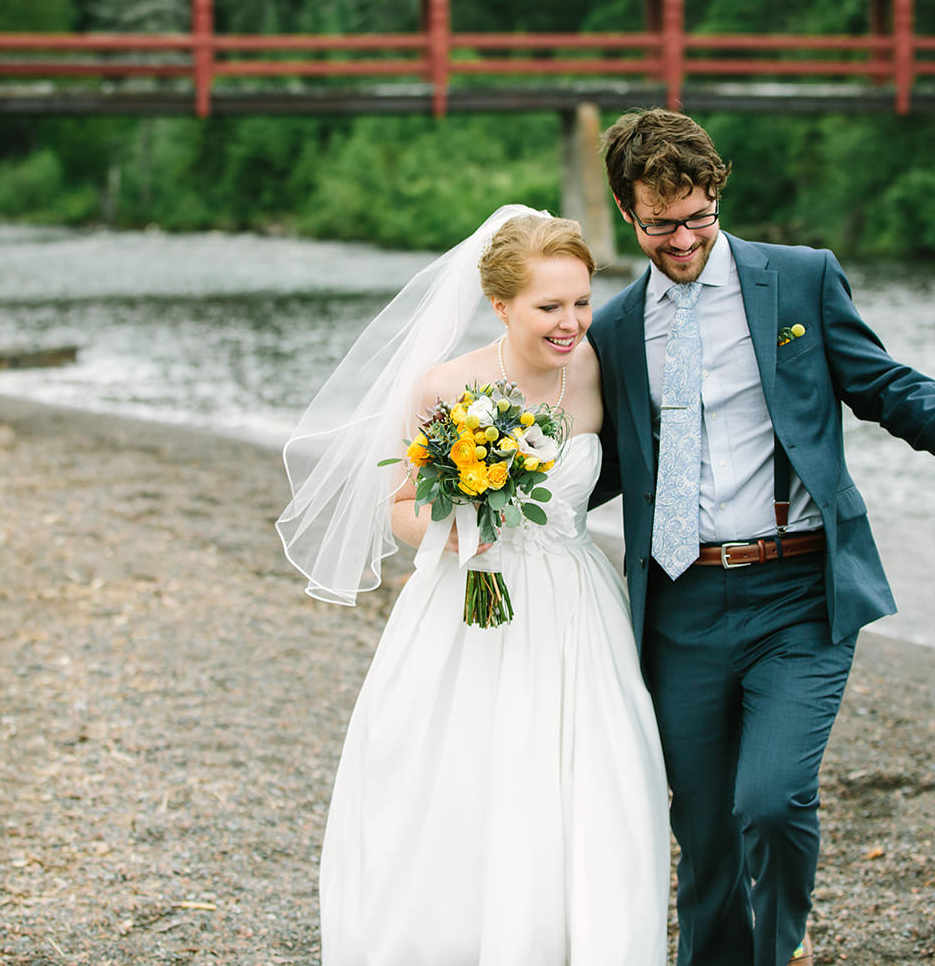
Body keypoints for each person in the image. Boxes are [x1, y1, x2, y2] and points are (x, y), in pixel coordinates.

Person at [587, 109, 935, 966]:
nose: (683, 238)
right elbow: (603, 465)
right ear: (628, 214)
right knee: (703, 833)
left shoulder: (801, 280)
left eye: (698, 216)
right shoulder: (617, 329)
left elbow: (876, 379)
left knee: (771, 802)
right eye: (660, 223)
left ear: (718, 192)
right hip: (680, 604)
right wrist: (498, 497)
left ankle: (775, 951)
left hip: (798, 592)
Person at [278, 207, 671, 965]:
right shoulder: (446, 386)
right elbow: (396, 508)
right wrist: (459, 527)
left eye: (582, 301)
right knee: (465, 783)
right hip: (470, 603)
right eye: (549, 306)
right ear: (501, 306)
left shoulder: (599, 370)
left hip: (578, 605)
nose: (572, 322)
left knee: (597, 785)